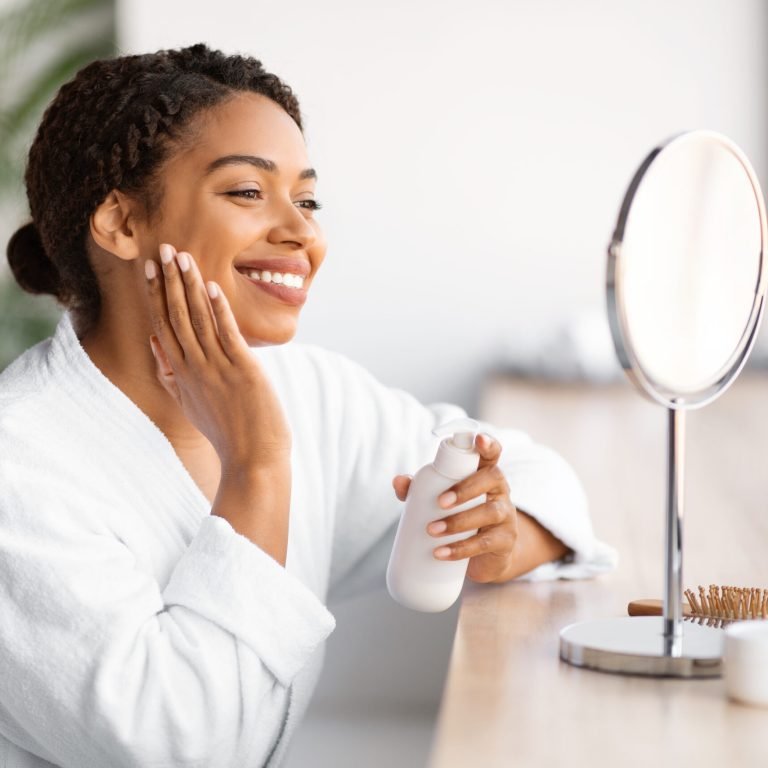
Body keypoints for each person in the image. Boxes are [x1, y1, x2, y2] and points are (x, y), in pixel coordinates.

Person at [0, 43, 614, 768]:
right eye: (247, 192)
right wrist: (257, 464)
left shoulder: (305, 391)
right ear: (123, 224)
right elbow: (177, 746)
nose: (304, 233)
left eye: (308, 199)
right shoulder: (22, 466)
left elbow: (536, 474)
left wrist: (504, 532)